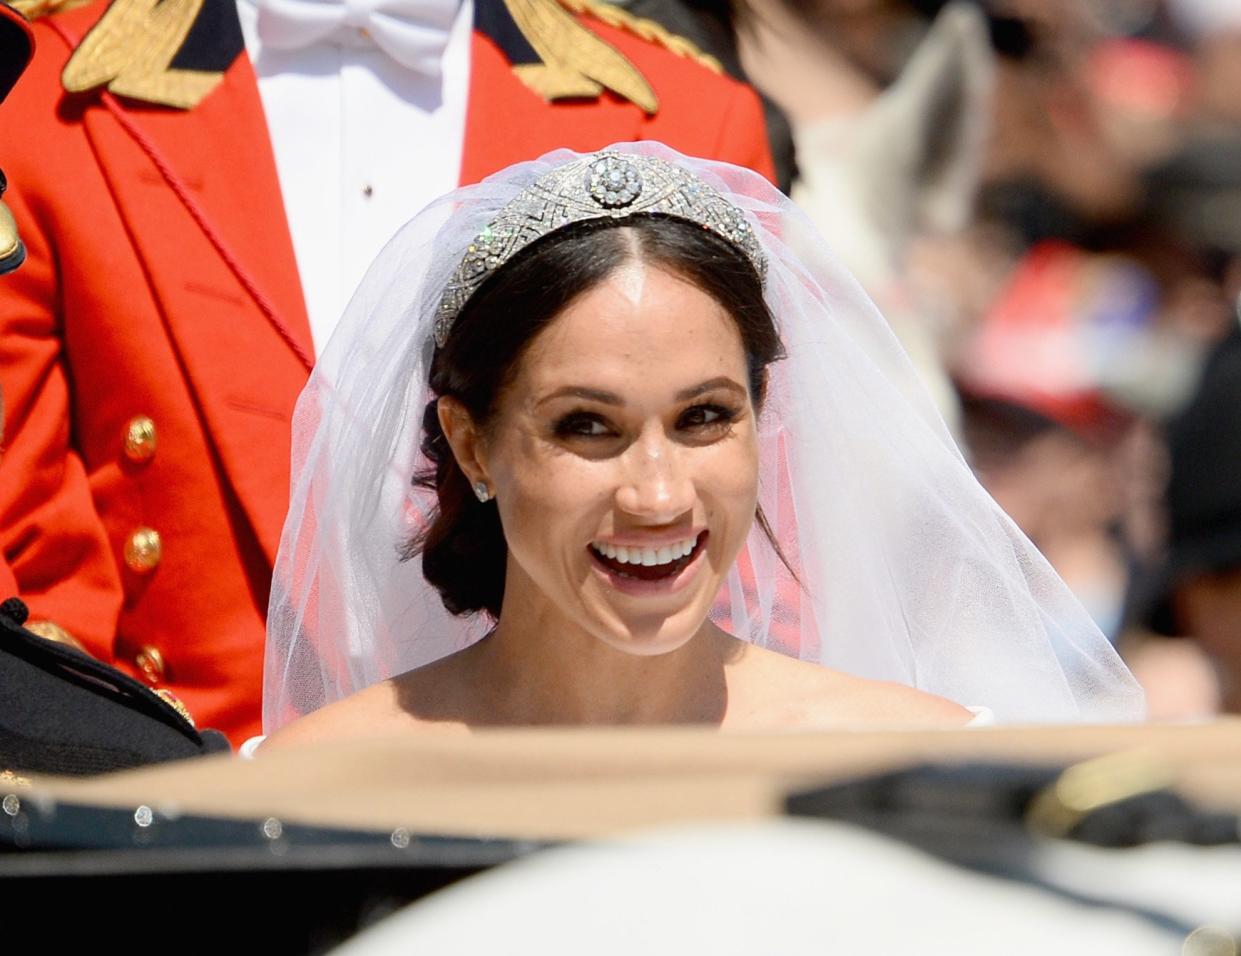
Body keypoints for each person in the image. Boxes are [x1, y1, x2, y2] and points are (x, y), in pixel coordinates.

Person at [0, 0, 775, 744]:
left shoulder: (683, 108)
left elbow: (767, 549)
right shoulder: (36, 98)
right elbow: (25, 548)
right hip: (169, 802)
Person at [260, 144, 1143, 744]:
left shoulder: (914, 762)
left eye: (704, 418)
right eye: (586, 426)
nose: (657, 495)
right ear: (473, 446)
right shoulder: (323, 782)